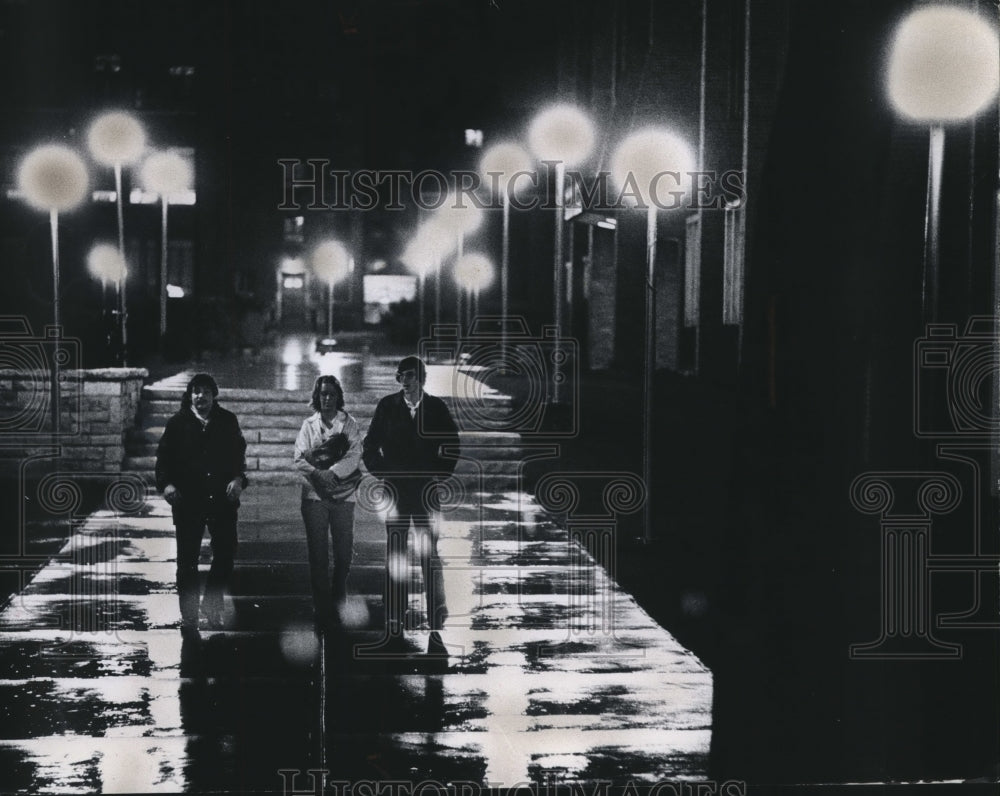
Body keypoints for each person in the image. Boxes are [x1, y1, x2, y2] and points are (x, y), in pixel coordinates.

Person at [362, 355, 460, 655]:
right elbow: (369, 446)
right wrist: (384, 473)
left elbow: (452, 445)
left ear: (421, 378)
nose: (405, 382)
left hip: (426, 493)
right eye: (401, 376)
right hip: (396, 491)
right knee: (396, 554)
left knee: (429, 555)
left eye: (411, 376)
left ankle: (436, 620)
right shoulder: (387, 407)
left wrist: (438, 474)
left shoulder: (436, 408)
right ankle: (394, 619)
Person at [155, 373, 248, 636]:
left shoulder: (227, 421)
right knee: (187, 562)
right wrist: (167, 485)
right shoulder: (177, 424)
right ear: (190, 394)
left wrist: (239, 479)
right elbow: (163, 461)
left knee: (226, 554)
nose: (201, 396)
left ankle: (212, 605)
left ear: (214, 394)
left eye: (206, 391)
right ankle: (189, 615)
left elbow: (238, 457)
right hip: (188, 502)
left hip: (222, 501)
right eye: (196, 391)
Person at [293, 375, 363, 632]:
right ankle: (322, 605)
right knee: (318, 554)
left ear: (338, 396)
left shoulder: (349, 424)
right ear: (317, 396)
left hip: (344, 496)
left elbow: (355, 455)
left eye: (331, 394)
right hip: (314, 496)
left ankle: (338, 594)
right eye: (322, 394)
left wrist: (333, 472)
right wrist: (318, 474)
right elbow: (299, 457)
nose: (327, 399)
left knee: (344, 553)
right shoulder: (308, 425)